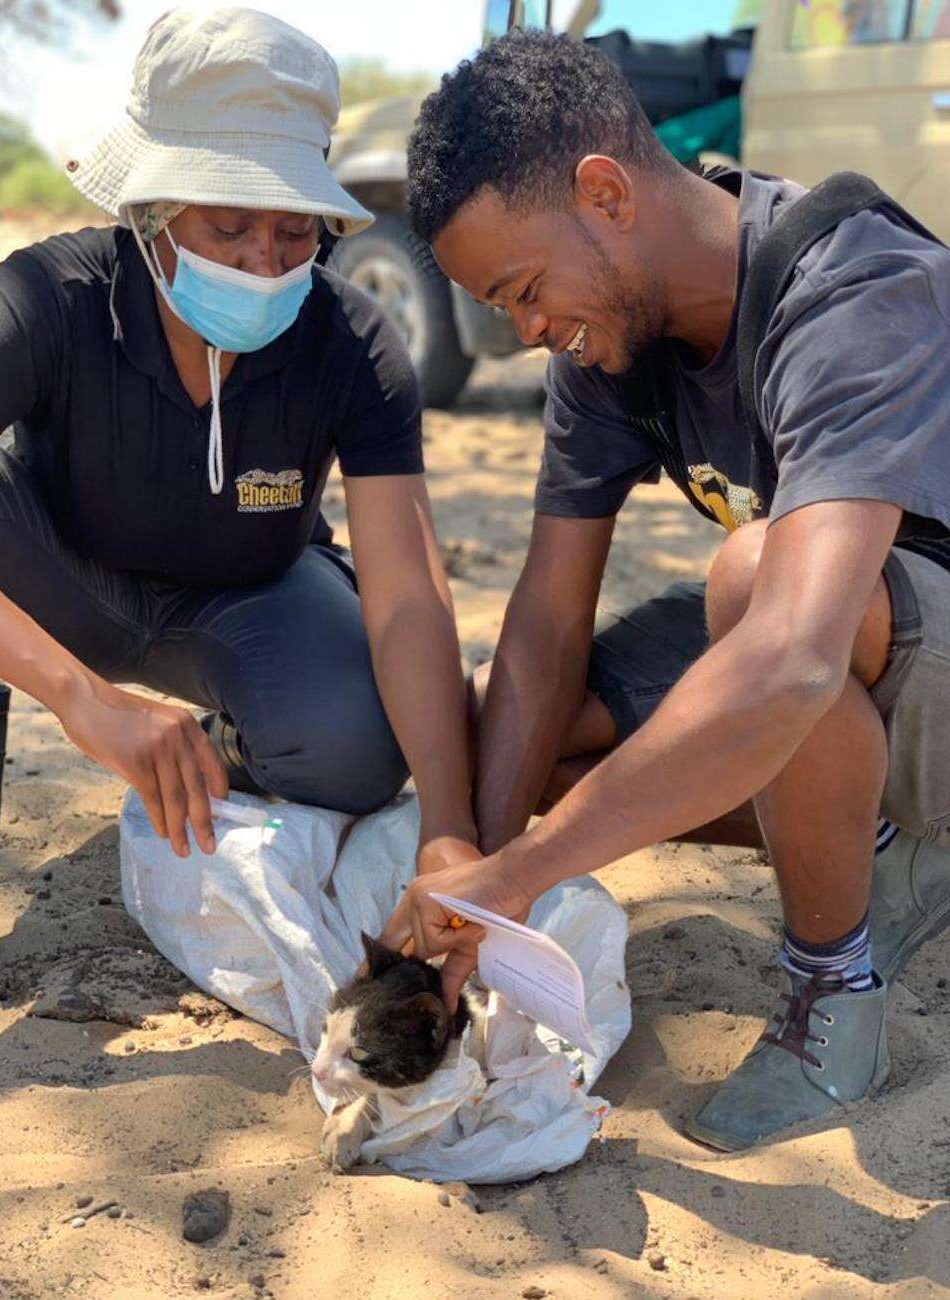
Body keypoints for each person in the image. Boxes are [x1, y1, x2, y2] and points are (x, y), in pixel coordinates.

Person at [380, 31, 950, 1151]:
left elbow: (788, 658)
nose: (526, 329)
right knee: (513, 716)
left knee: (754, 583)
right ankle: (893, 849)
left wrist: (531, 866)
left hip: (887, 661)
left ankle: (833, 996)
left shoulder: (855, 283)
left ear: (605, 193)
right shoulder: (607, 346)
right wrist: (476, 890)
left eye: (524, 289)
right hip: (857, 648)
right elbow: (546, 624)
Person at [0, 8, 480, 1031]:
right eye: (226, 227)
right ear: (149, 216)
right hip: (52, 578)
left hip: (247, 596)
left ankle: (215, 748)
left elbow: (410, 594)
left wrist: (448, 833)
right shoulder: (47, 297)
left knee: (357, 747)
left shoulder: (352, 345)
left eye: (293, 230)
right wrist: (81, 697)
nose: (264, 262)